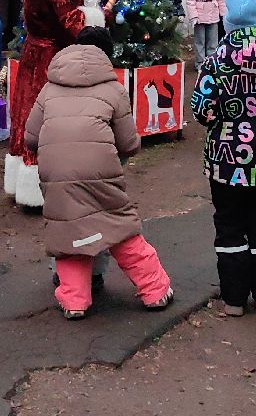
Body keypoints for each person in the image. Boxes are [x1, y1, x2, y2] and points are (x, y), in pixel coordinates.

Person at [24, 28, 176, 319]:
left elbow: (30, 138)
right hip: (99, 171)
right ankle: (155, 290)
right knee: (119, 229)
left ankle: (75, 301)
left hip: (56, 173)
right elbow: (128, 144)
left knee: (69, 233)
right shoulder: (114, 89)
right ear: (106, 55)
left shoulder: (50, 87)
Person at [191, 0, 256, 316]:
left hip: (225, 161)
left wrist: (219, 119)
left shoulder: (214, 63)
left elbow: (201, 110)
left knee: (230, 223)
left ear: (228, 24)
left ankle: (234, 300)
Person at [12, 0, 105, 209]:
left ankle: (25, 180)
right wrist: (98, 19)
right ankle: (40, 186)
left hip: (37, 52)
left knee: (28, 116)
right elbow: (70, 20)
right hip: (52, 58)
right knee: (49, 121)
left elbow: (68, 1)